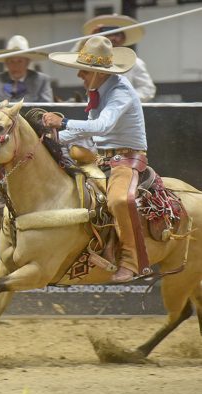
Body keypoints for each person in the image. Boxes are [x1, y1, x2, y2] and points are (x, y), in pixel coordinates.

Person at [42, 36, 147, 283]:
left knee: (120, 200)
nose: (80, 75)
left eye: (85, 70)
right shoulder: (101, 90)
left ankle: (132, 262)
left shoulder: (120, 92)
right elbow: (89, 128)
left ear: (98, 73)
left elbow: (101, 126)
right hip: (102, 160)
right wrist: (50, 138)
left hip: (127, 159)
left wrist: (62, 123)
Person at [83, 14, 156, 102]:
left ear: (123, 39)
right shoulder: (92, 60)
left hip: (125, 112)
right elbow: (73, 60)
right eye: (108, 33)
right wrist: (89, 39)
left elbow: (147, 89)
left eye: (117, 34)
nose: (112, 38)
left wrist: (125, 99)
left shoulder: (135, 62)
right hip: (96, 111)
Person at [0, 35, 52, 102]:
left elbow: (48, 108)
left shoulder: (41, 80)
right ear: (6, 64)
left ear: (27, 63)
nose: (15, 65)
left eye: (20, 61)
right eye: (11, 61)